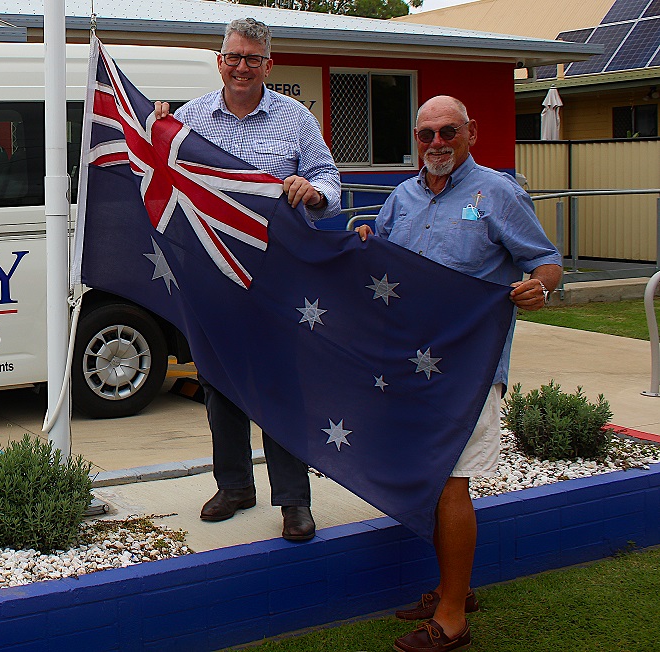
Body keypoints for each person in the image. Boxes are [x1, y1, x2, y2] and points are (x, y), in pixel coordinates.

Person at [356, 95, 562, 652]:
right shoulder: (401, 198)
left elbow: (546, 260)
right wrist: (365, 248)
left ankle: (451, 620)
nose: (437, 144)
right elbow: (383, 266)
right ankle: (455, 588)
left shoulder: (497, 192)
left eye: (448, 132)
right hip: (411, 365)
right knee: (429, 481)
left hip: (469, 369)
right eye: (426, 135)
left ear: (470, 132)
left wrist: (538, 287)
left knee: (452, 485)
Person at [155, 17, 343, 542]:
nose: (241, 67)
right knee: (220, 385)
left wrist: (315, 190)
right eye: (233, 57)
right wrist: (156, 129)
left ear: (268, 64)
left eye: (252, 59)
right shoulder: (191, 119)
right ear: (220, 62)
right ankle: (234, 486)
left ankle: (294, 502)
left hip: (277, 278)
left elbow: (333, 182)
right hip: (212, 277)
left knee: (281, 389)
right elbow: (164, 172)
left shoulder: (295, 119)